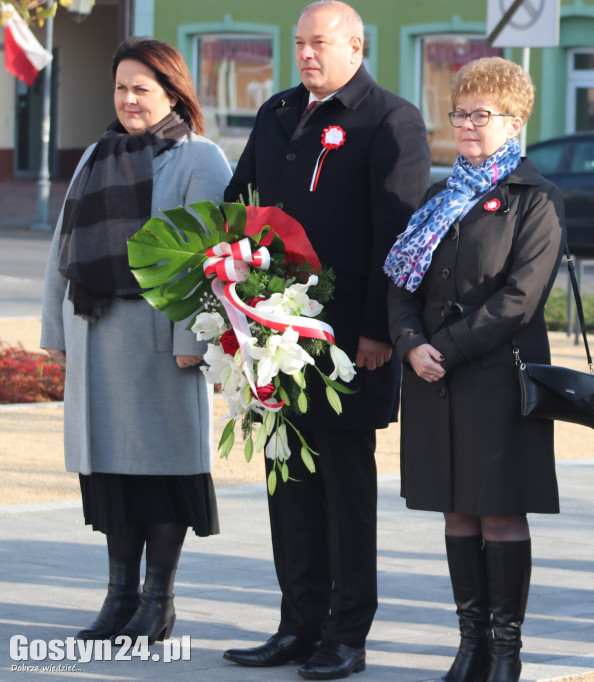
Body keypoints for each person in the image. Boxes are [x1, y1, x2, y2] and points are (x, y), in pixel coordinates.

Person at [220, 2, 430, 679]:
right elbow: (238, 200)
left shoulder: (388, 119)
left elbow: (397, 238)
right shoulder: (279, 112)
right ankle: (297, 623)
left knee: (342, 487)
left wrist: (376, 330)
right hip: (276, 339)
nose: (307, 54)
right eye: (300, 42)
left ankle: (346, 631)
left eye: (321, 43)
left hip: (346, 342)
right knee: (287, 482)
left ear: (356, 46)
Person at [39, 37, 231, 644]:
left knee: (160, 475)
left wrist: (191, 342)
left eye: (141, 89)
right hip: (94, 336)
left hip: (157, 343)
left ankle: (158, 600)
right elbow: (60, 249)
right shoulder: (97, 152)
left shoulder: (200, 159)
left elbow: (208, 257)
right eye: (121, 88)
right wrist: (55, 330)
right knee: (111, 477)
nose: (128, 100)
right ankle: (118, 597)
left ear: (172, 91)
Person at [386, 56, 564, 682]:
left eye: (480, 115)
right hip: (432, 372)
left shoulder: (534, 200)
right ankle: (470, 644)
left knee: (498, 510)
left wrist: (450, 347)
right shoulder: (440, 196)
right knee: (454, 509)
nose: (466, 124)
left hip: (497, 372)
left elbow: (521, 297)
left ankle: (506, 650)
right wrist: (409, 342)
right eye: (459, 113)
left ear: (514, 123)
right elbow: (401, 283)